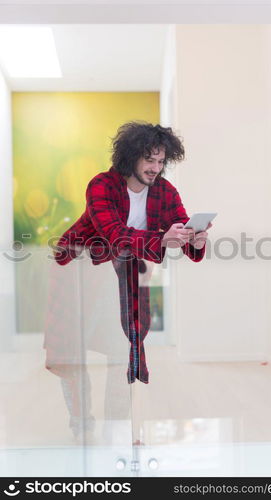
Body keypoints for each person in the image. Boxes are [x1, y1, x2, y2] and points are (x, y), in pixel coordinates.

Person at [46, 121, 212, 439]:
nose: (156, 167)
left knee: (121, 347)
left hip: (119, 274)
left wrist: (195, 240)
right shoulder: (102, 185)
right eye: (149, 159)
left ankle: (116, 426)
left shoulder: (164, 191)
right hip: (76, 269)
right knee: (72, 352)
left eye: (161, 161)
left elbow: (179, 226)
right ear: (131, 156)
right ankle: (81, 424)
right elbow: (115, 235)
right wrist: (162, 239)